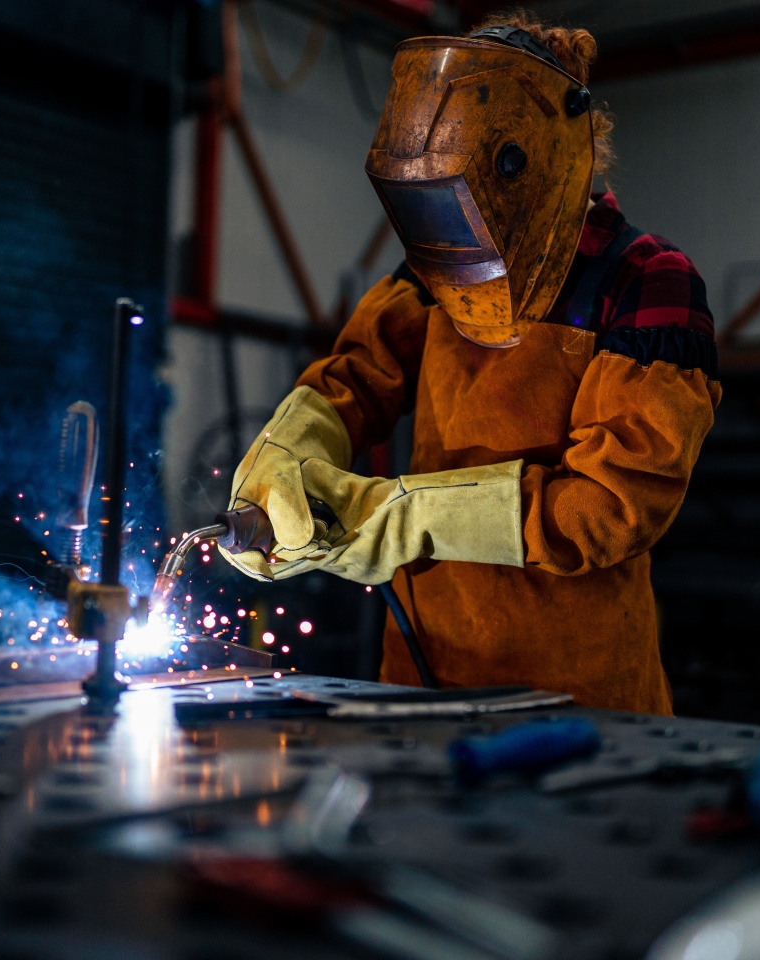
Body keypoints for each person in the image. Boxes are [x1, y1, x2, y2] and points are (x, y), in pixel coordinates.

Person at [218, 13, 721, 714]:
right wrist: (283, 452)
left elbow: (611, 507)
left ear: (541, 152)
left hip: (577, 709)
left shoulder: (645, 279)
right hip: (419, 684)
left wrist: (401, 517)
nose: (453, 238)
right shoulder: (433, 271)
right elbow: (356, 375)